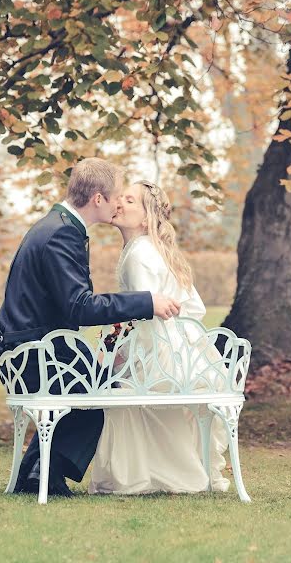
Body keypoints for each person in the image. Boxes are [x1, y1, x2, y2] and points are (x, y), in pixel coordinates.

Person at [0, 159, 180, 497]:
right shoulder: (62, 232)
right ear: (97, 199)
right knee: (101, 396)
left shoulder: (60, 224)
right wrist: (147, 302)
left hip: (34, 346)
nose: (119, 203)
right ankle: (42, 475)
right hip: (31, 353)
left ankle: (37, 474)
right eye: (116, 197)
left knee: (102, 383)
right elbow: (79, 306)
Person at [89, 181, 230, 494]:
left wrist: (122, 351)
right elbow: (194, 307)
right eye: (120, 197)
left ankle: (151, 476)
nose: (119, 202)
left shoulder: (139, 255)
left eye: (129, 200)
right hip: (186, 351)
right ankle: (175, 473)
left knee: (121, 396)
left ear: (144, 218)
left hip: (161, 353)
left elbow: (143, 313)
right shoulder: (153, 249)